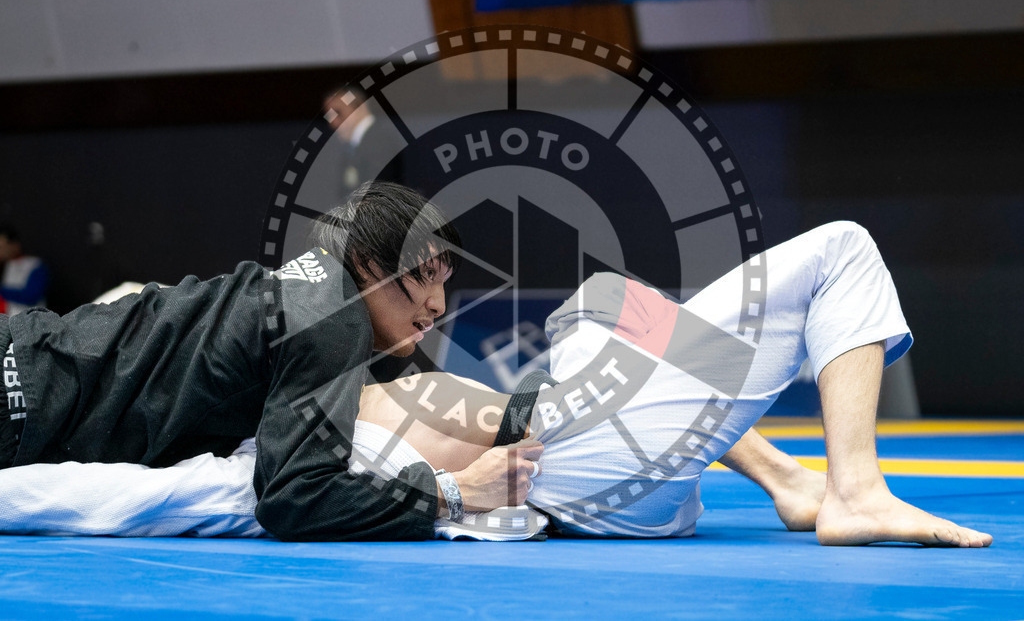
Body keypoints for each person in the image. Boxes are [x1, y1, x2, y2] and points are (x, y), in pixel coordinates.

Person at [0, 222, 992, 547]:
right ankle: (852, 489)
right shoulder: (239, 465)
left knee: (599, 297)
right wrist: (452, 493)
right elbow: (69, 495)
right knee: (840, 253)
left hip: (611, 458)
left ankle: (779, 474)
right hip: (569, 457)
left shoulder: (277, 368)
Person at [0, 181, 542, 541]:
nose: (439, 305)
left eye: (446, 283)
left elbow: (426, 387)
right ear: (366, 263)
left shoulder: (308, 293)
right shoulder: (332, 319)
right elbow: (294, 497)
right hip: (20, 400)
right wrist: (456, 494)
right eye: (424, 276)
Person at [324, 88, 407, 195]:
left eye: (338, 113)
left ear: (359, 108)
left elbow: (377, 194)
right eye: (329, 117)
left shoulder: (380, 140)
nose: (333, 123)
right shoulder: (353, 148)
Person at [0, 224, 50, 316]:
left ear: (14, 245)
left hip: (31, 322)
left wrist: (2, 291)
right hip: (6, 323)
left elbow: (31, 296)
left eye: (2, 246)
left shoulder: (34, 264)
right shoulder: (6, 266)